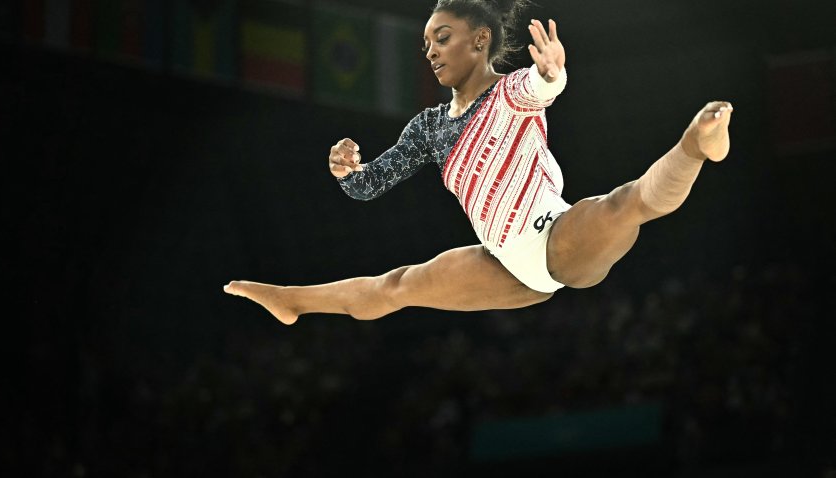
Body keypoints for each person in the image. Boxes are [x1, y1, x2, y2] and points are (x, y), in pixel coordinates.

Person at [223, 0, 733, 325]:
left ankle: (696, 144)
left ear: (480, 40)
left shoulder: (510, 94)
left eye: (441, 38)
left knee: (626, 203)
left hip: (559, 239)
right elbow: (367, 187)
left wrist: (552, 72)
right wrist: (348, 171)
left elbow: (542, 87)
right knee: (396, 286)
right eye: (426, 44)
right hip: (504, 269)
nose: (431, 52)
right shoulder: (428, 126)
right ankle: (291, 299)